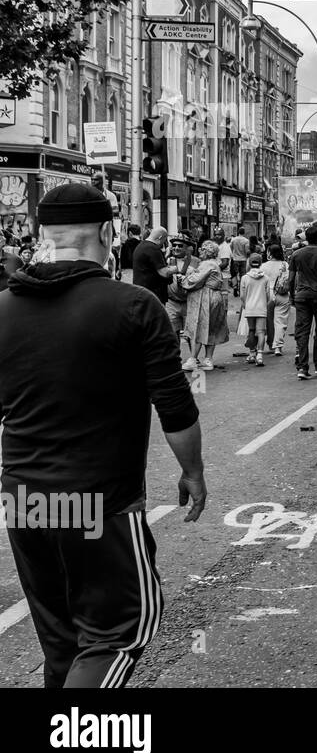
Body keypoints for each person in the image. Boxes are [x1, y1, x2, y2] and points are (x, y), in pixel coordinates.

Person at [0, 182, 205, 688]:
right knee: (118, 634)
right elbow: (174, 407)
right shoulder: (133, 306)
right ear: (109, 233)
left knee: (62, 641)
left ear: (40, 233)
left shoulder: (3, 308)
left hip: (24, 500)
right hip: (98, 500)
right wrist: (193, 472)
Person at [287, 224, 317, 379]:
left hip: (301, 295)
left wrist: (291, 296)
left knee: (302, 331)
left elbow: (291, 278)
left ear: (306, 238)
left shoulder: (296, 254)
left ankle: (302, 367)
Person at [182, 241, 229, 371]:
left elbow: (195, 280)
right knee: (211, 329)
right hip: (215, 297)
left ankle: (193, 359)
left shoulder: (206, 264)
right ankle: (208, 359)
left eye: (202, 250)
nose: (200, 252)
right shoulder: (214, 263)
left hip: (206, 297)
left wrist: (183, 280)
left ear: (206, 251)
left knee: (198, 326)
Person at [164, 232, 199, 367]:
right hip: (171, 301)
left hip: (189, 301)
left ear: (187, 247)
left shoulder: (196, 262)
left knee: (191, 333)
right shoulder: (167, 260)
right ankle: (175, 359)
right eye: (174, 245)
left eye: (180, 245)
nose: (176, 248)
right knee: (173, 333)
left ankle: (193, 358)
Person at [237, 253, 271, 366]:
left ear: (249, 263)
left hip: (250, 307)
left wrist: (245, 305)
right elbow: (268, 295)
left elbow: (242, 295)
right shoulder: (266, 278)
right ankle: (260, 355)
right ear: (260, 263)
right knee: (261, 332)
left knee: (251, 330)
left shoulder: (245, 278)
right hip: (261, 307)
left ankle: (252, 353)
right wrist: (264, 303)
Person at [132, 226, 176, 311]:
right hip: (153, 295)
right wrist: (174, 268)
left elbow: (151, 265)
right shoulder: (153, 248)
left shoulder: (141, 246)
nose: (163, 243)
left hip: (142, 292)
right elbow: (164, 272)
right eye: (164, 240)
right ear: (160, 237)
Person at [262, 243, 291, 357]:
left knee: (269, 321)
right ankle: (278, 346)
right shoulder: (286, 265)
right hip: (282, 294)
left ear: (270, 253)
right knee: (280, 321)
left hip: (268, 295)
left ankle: (270, 344)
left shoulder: (264, 266)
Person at [229, 225, 251, 289]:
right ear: (244, 233)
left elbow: (230, 248)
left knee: (234, 273)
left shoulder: (233, 240)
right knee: (242, 274)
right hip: (243, 259)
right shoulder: (246, 241)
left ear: (238, 232)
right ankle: (241, 288)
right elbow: (247, 251)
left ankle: (235, 286)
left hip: (235, 259)